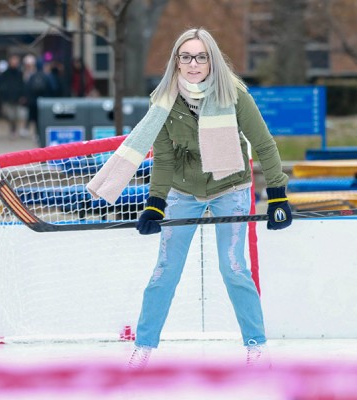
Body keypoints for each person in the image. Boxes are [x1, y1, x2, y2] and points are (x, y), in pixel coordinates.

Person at [86, 28, 292, 370]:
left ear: (211, 59)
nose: (194, 64)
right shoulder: (163, 101)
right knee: (165, 270)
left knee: (234, 268)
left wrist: (277, 195)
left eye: (201, 56)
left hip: (231, 187)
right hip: (184, 189)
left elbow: (265, 144)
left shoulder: (234, 95)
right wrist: (155, 203)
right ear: (176, 62)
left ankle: (257, 347)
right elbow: (164, 158)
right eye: (186, 57)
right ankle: (144, 348)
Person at [0, 54, 26, 139]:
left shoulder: (20, 73)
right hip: (8, 98)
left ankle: (14, 130)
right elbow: (1, 86)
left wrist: (22, 96)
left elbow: (22, 85)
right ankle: (12, 129)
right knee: (10, 116)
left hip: (17, 98)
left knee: (16, 116)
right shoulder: (5, 74)